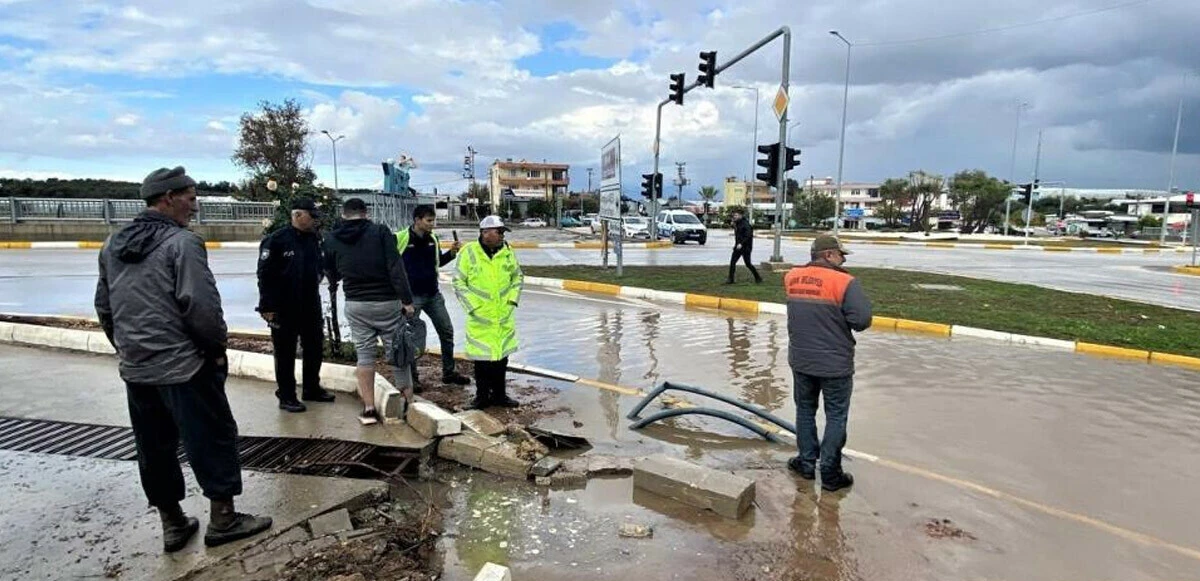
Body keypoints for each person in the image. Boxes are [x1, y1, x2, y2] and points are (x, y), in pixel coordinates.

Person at [94, 166, 271, 552]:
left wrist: (127, 349)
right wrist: (215, 351)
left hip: (137, 368)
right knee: (212, 436)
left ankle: (173, 523)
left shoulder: (112, 245)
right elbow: (200, 307)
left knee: (154, 446)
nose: (195, 206)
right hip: (185, 366)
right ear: (168, 198)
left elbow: (105, 308)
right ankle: (223, 519)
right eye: (190, 198)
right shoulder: (182, 243)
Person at [783, 235, 872, 492]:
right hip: (835, 363)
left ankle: (806, 463)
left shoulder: (791, 277)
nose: (843, 259)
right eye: (841, 255)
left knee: (805, 411)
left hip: (801, 359)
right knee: (835, 415)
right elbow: (862, 320)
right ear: (829, 255)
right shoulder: (845, 282)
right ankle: (831, 473)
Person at [323, 198, 415, 425]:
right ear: (366, 213)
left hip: (356, 304)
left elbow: (331, 272)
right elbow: (396, 267)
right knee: (398, 351)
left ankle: (369, 409)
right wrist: (407, 300)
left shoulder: (332, 238)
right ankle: (407, 405)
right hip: (386, 302)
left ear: (343, 214)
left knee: (364, 356)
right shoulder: (380, 232)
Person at [256, 198, 336, 413]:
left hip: (309, 303)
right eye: (312, 216)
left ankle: (311, 388)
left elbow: (320, 265)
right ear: (298, 215)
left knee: (314, 347)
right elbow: (265, 275)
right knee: (285, 352)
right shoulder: (276, 240)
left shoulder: (313, 238)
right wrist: (267, 307)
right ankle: (287, 395)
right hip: (283, 306)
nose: (315, 221)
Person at [395, 204, 471, 388]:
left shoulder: (433, 239)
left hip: (433, 295)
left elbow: (437, 263)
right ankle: (413, 378)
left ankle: (449, 372)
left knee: (447, 331)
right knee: (411, 338)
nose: (432, 224)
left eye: (433, 220)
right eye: (429, 220)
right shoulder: (400, 238)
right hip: (411, 298)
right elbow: (391, 267)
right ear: (417, 220)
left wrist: (451, 254)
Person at [453, 215, 523, 409]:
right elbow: (458, 282)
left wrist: (511, 302)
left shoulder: (507, 252)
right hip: (480, 317)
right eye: (498, 232)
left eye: (502, 232)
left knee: (501, 358)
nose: (502, 236)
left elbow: (518, 278)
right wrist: (474, 307)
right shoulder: (469, 252)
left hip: (503, 316)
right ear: (485, 233)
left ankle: (500, 395)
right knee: (482, 360)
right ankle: (482, 397)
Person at [726, 209, 762, 284]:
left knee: (748, 264)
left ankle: (758, 277)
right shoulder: (737, 223)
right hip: (738, 247)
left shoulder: (746, 224)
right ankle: (730, 279)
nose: (734, 217)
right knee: (732, 262)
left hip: (746, 247)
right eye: (734, 215)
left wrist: (741, 243)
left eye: (736, 215)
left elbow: (748, 236)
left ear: (740, 216)